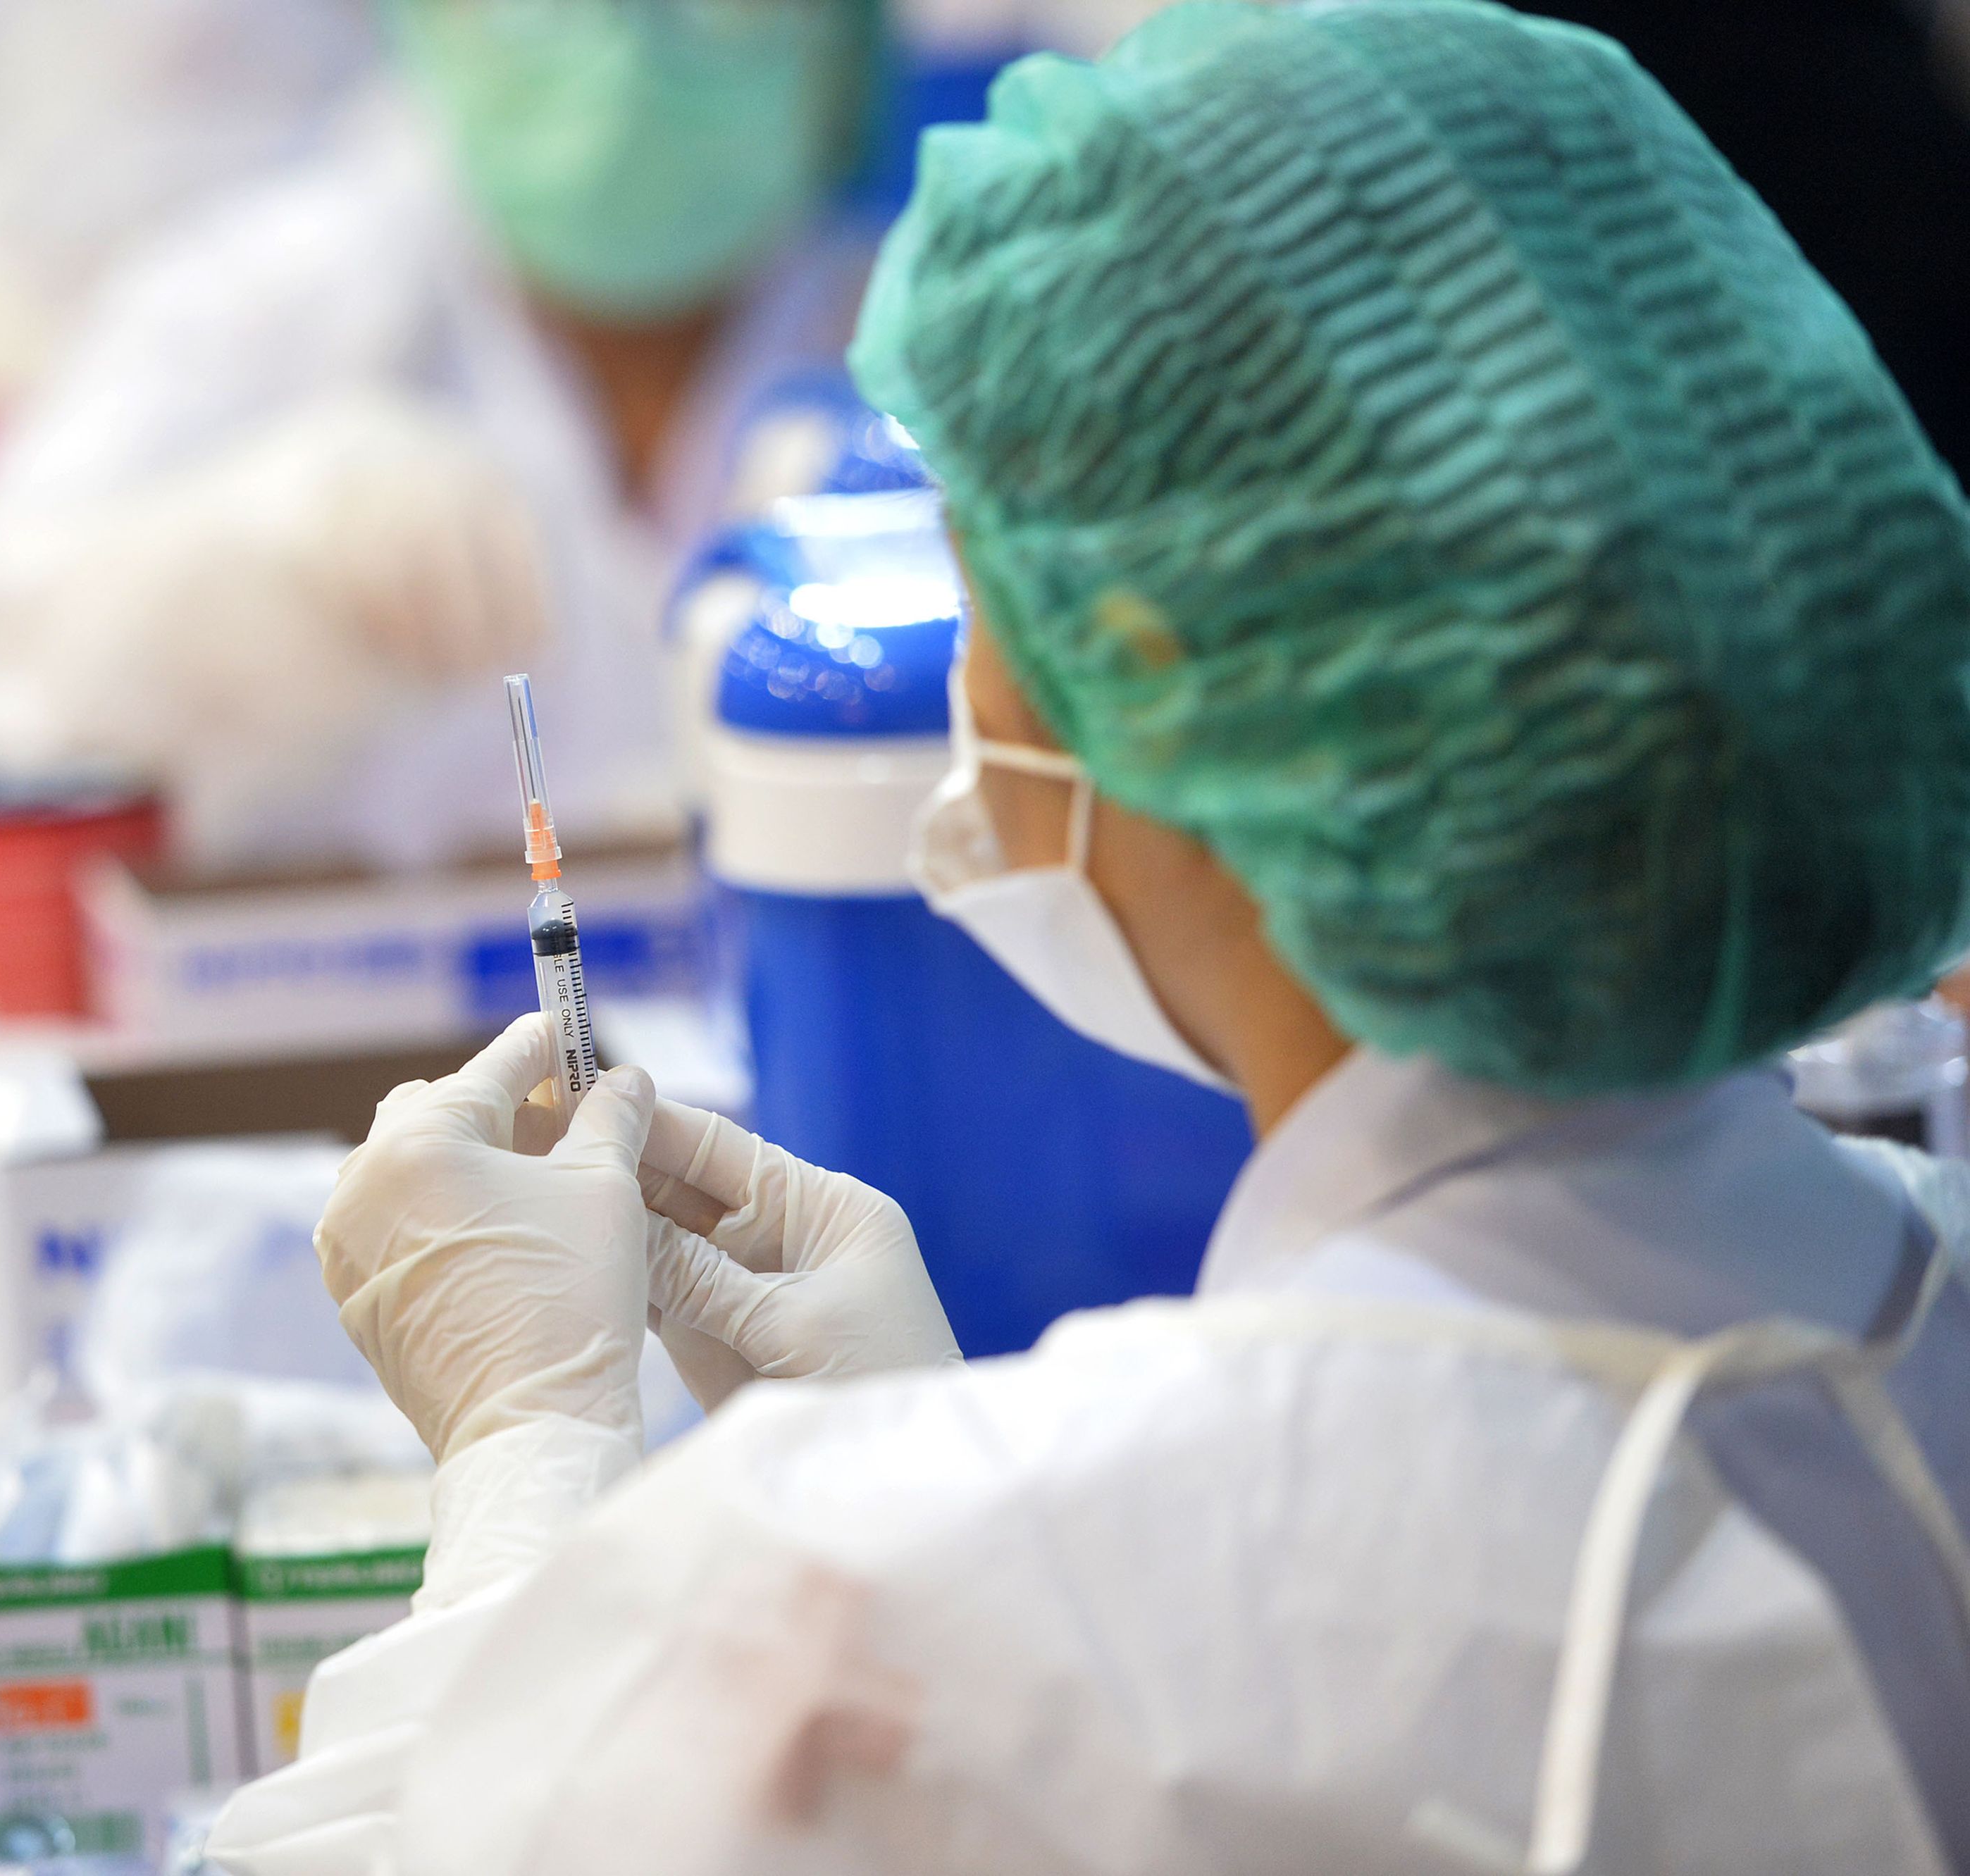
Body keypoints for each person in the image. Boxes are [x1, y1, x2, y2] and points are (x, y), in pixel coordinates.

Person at [204, 4, 1970, 1870]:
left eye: (987, 590)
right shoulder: (1919, 1301)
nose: (964, 684)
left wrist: (526, 1467)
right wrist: (938, 1449)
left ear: (1161, 685)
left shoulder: (998, 1604)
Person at [0, 0, 884, 871]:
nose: (626, 45)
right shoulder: (274, 300)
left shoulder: (920, 336)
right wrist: (254, 566)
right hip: (376, 1053)